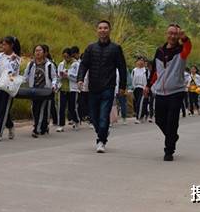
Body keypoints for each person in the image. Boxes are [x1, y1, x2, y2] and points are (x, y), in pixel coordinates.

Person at [76, 20, 127, 153]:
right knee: (93, 117)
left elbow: (122, 68)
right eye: (100, 28)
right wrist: (80, 79)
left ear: (109, 30)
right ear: (97, 30)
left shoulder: (116, 49)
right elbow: (84, 65)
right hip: (93, 87)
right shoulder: (91, 48)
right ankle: (103, 132)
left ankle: (101, 141)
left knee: (104, 116)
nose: (103, 30)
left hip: (108, 87)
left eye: (105, 28)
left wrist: (122, 86)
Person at [145, 23, 192, 161]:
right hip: (160, 91)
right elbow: (155, 70)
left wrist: (185, 39)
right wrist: (149, 85)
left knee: (172, 121)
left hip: (176, 91)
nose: (172, 36)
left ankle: (169, 150)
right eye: (170, 33)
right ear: (166, 34)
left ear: (178, 36)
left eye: (175, 34)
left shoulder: (181, 51)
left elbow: (188, 47)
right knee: (159, 119)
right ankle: (172, 137)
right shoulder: (159, 51)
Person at [24, 45, 58, 137]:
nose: (37, 52)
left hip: (45, 91)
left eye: (40, 50)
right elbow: (25, 77)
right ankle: (42, 127)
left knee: (42, 109)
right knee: (34, 109)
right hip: (33, 90)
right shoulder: (31, 64)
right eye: (36, 50)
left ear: (44, 53)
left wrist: (54, 86)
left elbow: (54, 77)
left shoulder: (49, 65)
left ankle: (36, 129)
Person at [0, 36, 21, 142]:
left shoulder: (16, 58)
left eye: (5, 44)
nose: (2, 46)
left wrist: (12, 61)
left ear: (11, 45)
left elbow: (12, 72)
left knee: (3, 109)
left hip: (8, 87)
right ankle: (10, 124)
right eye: (2, 44)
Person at [56, 48, 81, 132]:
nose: (65, 58)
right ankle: (61, 125)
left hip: (72, 89)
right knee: (61, 107)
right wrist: (60, 76)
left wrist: (68, 75)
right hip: (62, 88)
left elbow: (77, 77)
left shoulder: (76, 64)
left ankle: (76, 121)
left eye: (67, 56)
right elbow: (57, 76)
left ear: (71, 56)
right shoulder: (61, 64)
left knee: (72, 107)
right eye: (64, 57)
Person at [131, 57, 149, 124]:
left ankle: (138, 118)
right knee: (137, 103)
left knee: (140, 103)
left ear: (144, 63)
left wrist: (147, 88)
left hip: (143, 88)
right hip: (136, 88)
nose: (140, 62)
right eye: (139, 60)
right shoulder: (134, 70)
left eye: (142, 61)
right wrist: (132, 89)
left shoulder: (146, 71)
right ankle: (145, 114)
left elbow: (148, 80)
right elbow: (132, 79)